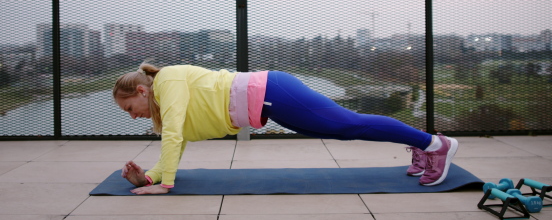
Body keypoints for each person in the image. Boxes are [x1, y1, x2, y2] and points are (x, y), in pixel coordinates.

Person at [113, 63, 458, 195]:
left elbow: (173, 134)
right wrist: (149, 177)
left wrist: (168, 184)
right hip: (270, 103)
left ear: (141, 91)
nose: (133, 116)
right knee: (343, 129)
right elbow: (180, 140)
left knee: (350, 123)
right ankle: (424, 144)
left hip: (273, 92)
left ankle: (434, 144)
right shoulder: (166, 95)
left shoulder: (167, 80)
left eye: (130, 108)